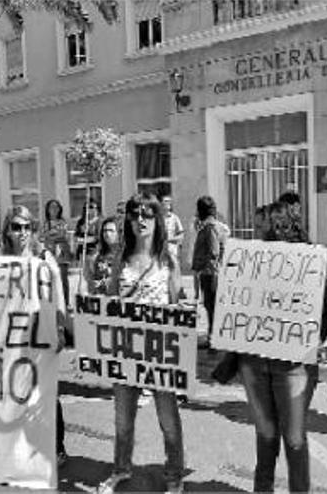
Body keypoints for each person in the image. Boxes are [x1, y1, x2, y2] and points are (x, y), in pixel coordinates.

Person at [98, 193, 184, 494]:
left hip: (159, 353)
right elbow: (110, 300)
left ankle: (174, 475)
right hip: (125, 352)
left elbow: (176, 305)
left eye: (147, 214)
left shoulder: (168, 258)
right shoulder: (121, 258)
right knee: (123, 419)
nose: (140, 220)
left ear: (157, 219)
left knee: (168, 420)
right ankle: (121, 469)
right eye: (135, 214)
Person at [236, 198, 317, 493]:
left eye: (275, 225)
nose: (267, 231)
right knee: (265, 434)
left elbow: (319, 314)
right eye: (264, 226)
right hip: (257, 363)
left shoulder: (309, 261)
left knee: (294, 440)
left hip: (294, 365)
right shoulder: (251, 261)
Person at [1, 205, 71, 468]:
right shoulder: (1, 259)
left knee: (47, 391)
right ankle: (23, 443)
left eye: (26, 227)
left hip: (41, 332)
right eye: (15, 227)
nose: (21, 232)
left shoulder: (44, 256)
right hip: (12, 335)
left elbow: (58, 293)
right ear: (7, 230)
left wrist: (61, 327)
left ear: (32, 229)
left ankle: (57, 446)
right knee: (16, 389)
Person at [191, 195, 225, 347]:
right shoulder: (208, 226)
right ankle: (213, 336)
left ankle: (214, 338)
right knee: (209, 305)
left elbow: (214, 251)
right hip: (208, 271)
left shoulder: (210, 228)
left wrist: (201, 266)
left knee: (211, 306)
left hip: (210, 272)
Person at [41, 199, 73, 305]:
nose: (54, 210)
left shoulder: (62, 222)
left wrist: (51, 234)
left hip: (62, 254)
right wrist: (53, 234)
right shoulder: (46, 223)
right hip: (50, 254)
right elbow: (43, 236)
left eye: (56, 207)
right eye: (51, 207)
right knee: (50, 279)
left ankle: (66, 302)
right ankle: (53, 302)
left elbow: (63, 234)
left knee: (63, 278)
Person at [84, 217, 120, 295]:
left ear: (119, 233)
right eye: (105, 231)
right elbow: (91, 278)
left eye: (111, 231)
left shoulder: (124, 255)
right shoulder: (97, 256)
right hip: (102, 298)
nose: (107, 234)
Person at [161, 193, 185, 262]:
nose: (168, 203)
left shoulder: (175, 218)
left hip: (172, 250)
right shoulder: (158, 218)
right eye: (165, 201)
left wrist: (170, 239)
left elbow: (181, 235)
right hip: (160, 251)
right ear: (161, 203)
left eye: (169, 201)